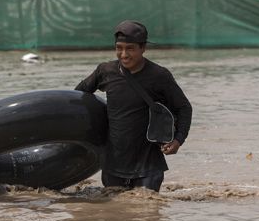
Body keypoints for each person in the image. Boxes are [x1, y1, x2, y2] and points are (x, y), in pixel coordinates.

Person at [75, 20, 192, 192]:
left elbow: (184, 108)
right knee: (117, 215)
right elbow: (79, 96)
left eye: (130, 48)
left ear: (143, 48)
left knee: (147, 214)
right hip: (113, 164)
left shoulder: (159, 75)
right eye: (119, 48)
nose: (123, 54)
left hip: (149, 164)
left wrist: (178, 140)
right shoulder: (105, 71)